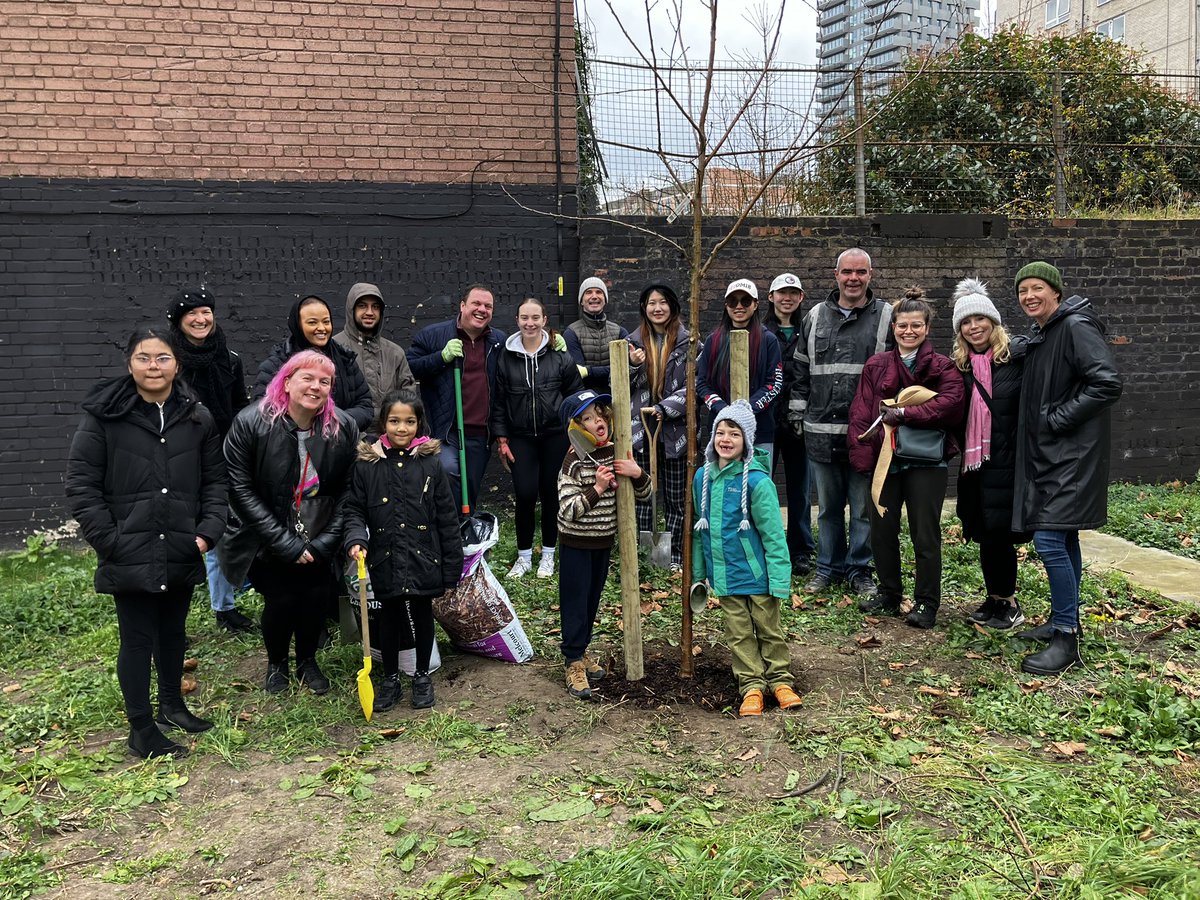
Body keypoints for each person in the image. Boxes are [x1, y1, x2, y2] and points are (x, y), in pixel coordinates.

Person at [66, 328, 227, 759]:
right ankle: (141, 727)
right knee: (137, 639)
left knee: (173, 634)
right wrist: (109, 540)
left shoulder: (196, 417)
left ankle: (172, 705)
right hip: (129, 547)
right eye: (143, 358)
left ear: (176, 363)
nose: (153, 366)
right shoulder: (105, 415)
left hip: (180, 543)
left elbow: (215, 481)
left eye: (162, 358)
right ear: (130, 363)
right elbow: (82, 485)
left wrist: (207, 531)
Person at [220, 350, 359, 695]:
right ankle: (276, 664)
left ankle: (308, 662)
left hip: (320, 529)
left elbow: (352, 489)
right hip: (265, 533)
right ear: (286, 381)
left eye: (324, 382)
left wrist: (327, 541)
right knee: (281, 599)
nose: (315, 387)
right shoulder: (251, 423)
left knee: (314, 597)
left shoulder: (342, 427)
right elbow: (238, 489)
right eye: (307, 378)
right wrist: (283, 542)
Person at [1012, 262, 1122, 675]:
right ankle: (1065, 620)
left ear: (1055, 291)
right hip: (1054, 457)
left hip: (1071, 457)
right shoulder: (1047, 333)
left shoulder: (1075, 327)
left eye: (1037, 288)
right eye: (1023, 291)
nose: (1029, 297)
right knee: (1065, 539)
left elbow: (1107, 382)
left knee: (1050, 542)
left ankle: (1066, 638)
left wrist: (1058, 419)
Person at [848, 290, 964, 629]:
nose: (908, 331)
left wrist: (904, 413)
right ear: (894, 328)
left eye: (916, 325)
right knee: (881, 530)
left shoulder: (943, 366)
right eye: (902, 325)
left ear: (927, 328)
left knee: (924, 534)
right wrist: (862, 459)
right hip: (886, 461)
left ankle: (927, 602)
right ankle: (889, 591)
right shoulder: (876, 365)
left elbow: (952, 406)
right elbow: (861, 412)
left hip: (926, 464)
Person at [345, 390, 462, 711]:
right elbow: (354, 508)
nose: (401, 428)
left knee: (422, 615)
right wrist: (357, 538)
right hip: (386, 556)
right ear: (383, 423)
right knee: (391, 617)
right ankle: (391, 678)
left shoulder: (430, 463)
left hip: (424, 556)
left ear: (418, 424)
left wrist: (452, 568)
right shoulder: (368, 464)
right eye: (394, 421)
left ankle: (422, 676)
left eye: (409, 421)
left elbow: (447, 518)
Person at [789, 248, 894, 597]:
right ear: (835, 274)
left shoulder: (887, 317)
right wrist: (797, 413)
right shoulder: (816, 316)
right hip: (820, 434)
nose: (853, 278)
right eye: (847, 272)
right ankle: (827, 569)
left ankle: (859, 571)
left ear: (870, 274)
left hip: (866, 436)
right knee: (829, 510)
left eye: (860, 272)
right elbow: (800, 370)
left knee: (863, 511)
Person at [691, 401, 802, 718]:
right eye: (720, 433)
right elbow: (701, 531)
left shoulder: (758, 483)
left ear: (747, 441)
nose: (725, 439)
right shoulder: (703, 478)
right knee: (738, 635)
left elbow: (773, 537)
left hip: (758, 576)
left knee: (769, 630)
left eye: (734, 434)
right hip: (725, 577)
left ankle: (781, 681)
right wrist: (700, 576)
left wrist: (780, 580)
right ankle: (751, 686)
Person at [166, 288, 254, 633]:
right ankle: (173, 623)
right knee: (176, 539)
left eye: (206, 311)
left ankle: (224, 606)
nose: (201, 319)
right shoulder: (168, 361)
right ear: (178, 320)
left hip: (220, 457)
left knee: (218, 533)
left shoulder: (229, 359)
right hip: (177, 459)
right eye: (191, 313)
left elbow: (236, 411)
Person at [557, 389, 652, 699]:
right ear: (576, 427)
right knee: (575, 602)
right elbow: (568, 509)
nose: (597, 421)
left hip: (602, 541)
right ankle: (572, 660)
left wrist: (636, 474)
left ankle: (582, 652)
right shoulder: (573, 461)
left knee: (591, 600)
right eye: (587, 418)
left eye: (599, 415)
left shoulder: (617, 450)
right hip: (577, 542)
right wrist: (597, 488)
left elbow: (645, 493)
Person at [950, 278, 1031, 631]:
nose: (973, 327)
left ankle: (1010, 602)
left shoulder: (1018, 358)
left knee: (1000, 534)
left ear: (993, 322)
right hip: (975, 464)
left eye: (979, 319)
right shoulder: (961, 367)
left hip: (1008, 461)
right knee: (983, 531)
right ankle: (994, 596)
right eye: (966, 323)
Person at [491, 297, 584, 579]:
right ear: (517, 320)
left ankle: (548, 555)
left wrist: (574, 434)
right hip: (521, 438)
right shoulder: (505, 357)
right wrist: (502, 439)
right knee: (525, 494)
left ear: (544, 320)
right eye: (524, 318)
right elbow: (498, 402)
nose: (529, 323)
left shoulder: (559, 357)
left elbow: (576, 397)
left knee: (551, 494)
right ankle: (523, 557)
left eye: (535, 318)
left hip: (555, 436)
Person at [408, 284, 505, 513]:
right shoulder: (433, 335)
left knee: (470, 491)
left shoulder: (499, 341)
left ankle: (465, 540)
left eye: (488, 306)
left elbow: (523, 352)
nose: (482, 309)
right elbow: (410, 367)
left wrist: (550, 342)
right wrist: (441, 357)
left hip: (480, 433)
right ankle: (450, 535)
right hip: (446, 430)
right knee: (449, 471)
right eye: (476, 304)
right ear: (462, 306)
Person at [629, 283, 690, 571]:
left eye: (663, 302)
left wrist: (665, 408)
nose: (657, 308)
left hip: (675, 430)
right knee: (645, 496)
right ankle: (646, 557)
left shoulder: (690, 344)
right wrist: (631, 365)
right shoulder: (630, 343)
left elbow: (694, 387)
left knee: (677, 499)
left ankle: (675, 555)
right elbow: (619, 387)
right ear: (644, 308)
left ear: (673, 306)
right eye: (651, 302)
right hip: (642, 431)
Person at [253, 295, 374, 432]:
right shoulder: (276, 364)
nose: (322, 328)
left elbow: (365, 406)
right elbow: (264, 409)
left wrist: (333, 425)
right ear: (297, 325)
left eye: (326, 322)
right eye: (312, 322)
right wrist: (306, 428)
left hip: (339, 444)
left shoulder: (345, 359)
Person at [763, 273, 816, 577]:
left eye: (793, 293)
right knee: (763, 487)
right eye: (781, 293)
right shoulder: (760, 331)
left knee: (800, 488)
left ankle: (800, 550)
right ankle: (769, 546)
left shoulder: (808, 331)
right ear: (771, 297)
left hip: (800, 421)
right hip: (766, 422)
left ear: (800, 298)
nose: (787, 298)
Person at [696, 278, 783, 459]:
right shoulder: (713, 341)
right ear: (726, 305)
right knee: (723, 485)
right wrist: (723, 409)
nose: (739, 306)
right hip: (722, 432)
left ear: (756, 304)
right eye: (732, 301)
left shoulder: (768, 340)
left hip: (760, 430)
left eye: (745, 301)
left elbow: (774, 383)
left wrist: (745, 409)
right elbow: (702, 383)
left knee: (757, 484)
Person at [332, 282, 415, 412]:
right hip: (346, 431)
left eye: (375, 307)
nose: (369, 312)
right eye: (362, 306)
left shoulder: (395, 353)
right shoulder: (333, 349)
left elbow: (409, 399)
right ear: (351, 310)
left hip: (389, 432)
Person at [564, 277, 640, 393]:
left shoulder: (620, 332)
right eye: (588, 292)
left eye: (599, 292)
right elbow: (577, 373)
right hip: (586, 400)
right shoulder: (571, 333)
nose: (594, 296)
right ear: (581, 301)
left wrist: (588, 371)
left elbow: (624, 369)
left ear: (605, 299)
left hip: (616, 396)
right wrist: (611, 369)